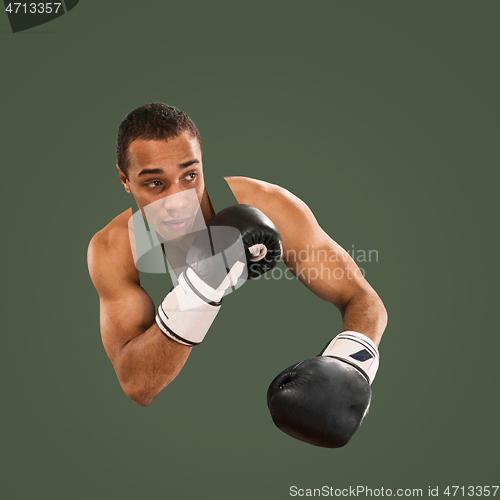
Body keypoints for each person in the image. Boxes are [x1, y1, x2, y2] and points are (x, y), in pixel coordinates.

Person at [87, 103, 388, 447]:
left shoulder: (269, 206)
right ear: (125, 180)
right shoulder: (115, 249)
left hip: (306, 414)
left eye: (190, 176)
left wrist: (349, 366)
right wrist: (200, 288)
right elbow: (137, 385)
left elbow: (363, 297)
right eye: (155, 183)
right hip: (188, 438)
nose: (177, 199)